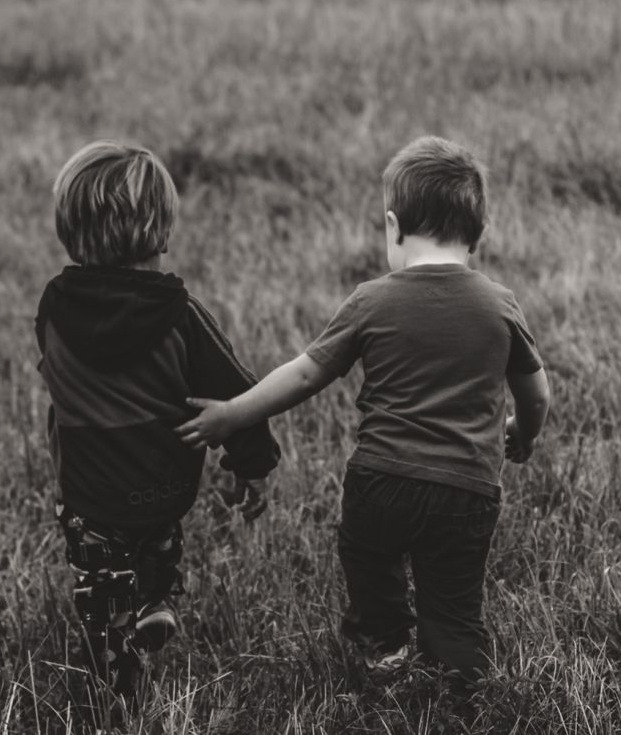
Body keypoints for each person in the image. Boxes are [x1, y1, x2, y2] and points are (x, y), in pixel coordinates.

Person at [176, 136, 551, 695]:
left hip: (382, 482)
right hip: (466, 490)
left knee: (369, 561)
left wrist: (232, 412)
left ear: (394, 226)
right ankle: (459, 675)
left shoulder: (371, 299)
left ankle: (385, 645)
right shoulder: (499, 304)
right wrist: (521, 433)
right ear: (480, 233)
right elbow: (537, 392)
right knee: (453, 599)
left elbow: (304, 374)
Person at [34, 140, 279, 703]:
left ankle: (115, 673)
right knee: (157, 549)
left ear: (69, 231)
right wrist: (253, 465)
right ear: (161, 232)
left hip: (89, 494)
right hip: (163, 485)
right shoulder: (180, 315)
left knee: (101, 591)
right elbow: (237, 391)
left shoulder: (54, 307)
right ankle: (155, 602)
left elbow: (52, 370)